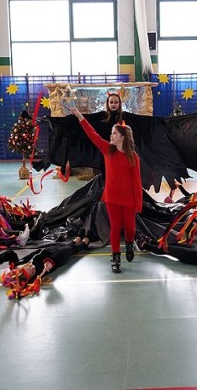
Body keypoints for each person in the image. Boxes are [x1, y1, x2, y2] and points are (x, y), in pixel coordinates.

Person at [72, 106, 142, 273]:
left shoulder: (134, 157)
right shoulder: (107, 150)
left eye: (114, 133)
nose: (111, 135)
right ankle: (116, 258)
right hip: (111, 198)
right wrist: (79, 116)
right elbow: (93, 135)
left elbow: (137, 182)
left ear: (123, 137)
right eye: (111, 133)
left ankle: (130, 244)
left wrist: (138, 204)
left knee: (130, 229)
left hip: (129, 200)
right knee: (116, 228)